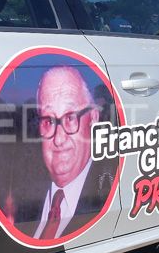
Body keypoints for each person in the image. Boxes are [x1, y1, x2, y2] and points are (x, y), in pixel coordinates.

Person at [30, 65, 114, 239]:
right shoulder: (21, 195)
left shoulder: (109, 184)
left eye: (70, 118)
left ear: (93, 118)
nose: (59, 140)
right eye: (48, 121)